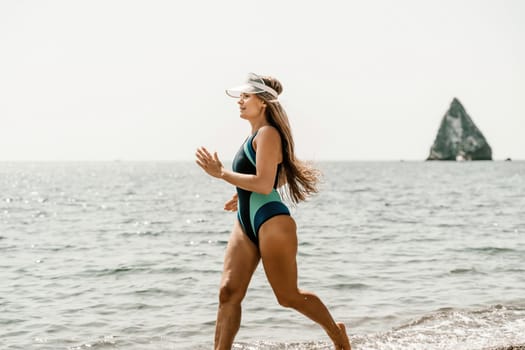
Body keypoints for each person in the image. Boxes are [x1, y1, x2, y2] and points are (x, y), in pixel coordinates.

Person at [195, 72, 351, 350]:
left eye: (246, 97)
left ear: (263, 102)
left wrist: (222, 174)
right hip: (246, 222)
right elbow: (274, 177)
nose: (240, 102)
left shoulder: (268, 133)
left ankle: (336, 333)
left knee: (287, 296)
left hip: (271, 221)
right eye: (240, 97)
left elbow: (264, 182)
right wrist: (240, 193)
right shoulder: (254, 136)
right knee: (228, 292)